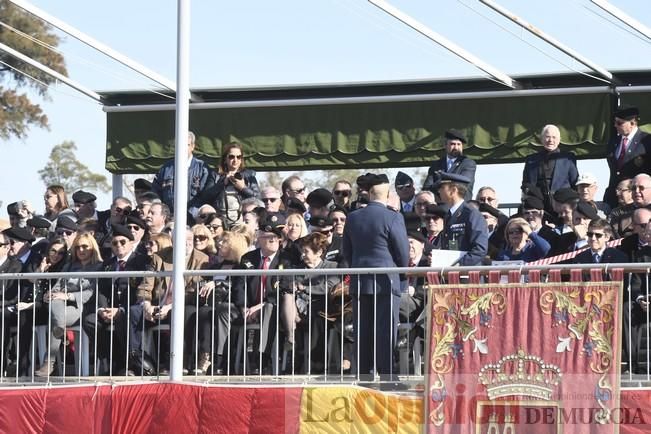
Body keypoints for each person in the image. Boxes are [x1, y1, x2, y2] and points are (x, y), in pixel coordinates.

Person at [341, 173, 409, 384]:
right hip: (387, 280)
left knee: (363, 331)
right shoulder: (393, 217)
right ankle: (388, 375)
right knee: (386, 331)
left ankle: (363, 375)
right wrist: (403, 276)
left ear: (369, 194)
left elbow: (347, 252)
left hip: (360, 280)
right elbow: (402, 252)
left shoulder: (353, 217)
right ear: (388, 195)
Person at [36, 232, 103, 376]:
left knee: (56, 317)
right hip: (60, 306)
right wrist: (51, 294)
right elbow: (58, 285)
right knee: (56, 306)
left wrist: (67, 295)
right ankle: (50, 359)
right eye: (78, 247)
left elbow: (90, 293)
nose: (81, 250)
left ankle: (49, 362)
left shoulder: (99, 266)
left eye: (85, 246)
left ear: (93, 247)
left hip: (81, 306)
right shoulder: (69, 266)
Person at [192, 231, 249, 374]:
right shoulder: (214, 267)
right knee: (199, 312)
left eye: (224, 242)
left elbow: (238, 289)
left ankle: (214, 358)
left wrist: (218, 283)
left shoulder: (241, 267)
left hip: (231, 307)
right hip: (210, 305)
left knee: (208, 312)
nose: (219, 243)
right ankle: (201, 356)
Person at [281, 232, 340, 373]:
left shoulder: (332, 266)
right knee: (287, 297)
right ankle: (291, 338)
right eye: (302, 251)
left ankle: (314, 364)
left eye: (306, 251)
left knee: (316, 317)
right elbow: (287, 286)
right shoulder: (297, 268)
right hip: (297, 308)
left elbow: (329, 286)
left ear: (319, 252)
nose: (303, 255)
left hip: (321, 307)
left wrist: (304, 288)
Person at [151, 131, 214, 214]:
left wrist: (191, 214)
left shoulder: (203, 169)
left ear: (192, 147)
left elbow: (205, 196)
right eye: (180, 144)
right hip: (170, 218)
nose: (183, 148)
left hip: (194, 219)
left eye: (186, 145)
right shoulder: (165, 169)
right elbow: (156, 193)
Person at [521, 124, 579, 212]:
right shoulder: (531, 160)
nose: (550, 140)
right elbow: (526, 185)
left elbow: (575, 184)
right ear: (542, 139)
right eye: (547, 137)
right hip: (539, 207)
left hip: (563, 206)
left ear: (559, 140)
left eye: (554, 137)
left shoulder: (568, 158)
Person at [434, 173, 488, 266]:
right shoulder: (449, 215)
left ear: (453, 190)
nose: (439, 191)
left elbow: (480, 249)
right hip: (451, 273)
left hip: (467, 275)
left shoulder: (471, 214)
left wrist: (459, 265)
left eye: (442, 187)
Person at [200, 142, 260, 224]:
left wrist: (243, 188)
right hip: (220, 221)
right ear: (225, 159)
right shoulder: (216, 175)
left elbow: (258, 199)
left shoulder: (249, 175)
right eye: (231, 157)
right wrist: (222, 184)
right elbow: (205, 197)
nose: (235, 160)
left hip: (242, 221)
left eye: (238, 157)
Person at [604, 107, 651, 208]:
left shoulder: (647, 142)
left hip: (637, 198)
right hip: (615, 197)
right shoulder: (613, 142)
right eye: (615, 122)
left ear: (632, 123)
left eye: (619, 123)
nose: (615, 125)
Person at [423, 129, 477, 201]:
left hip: (461, 207)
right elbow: (426, 188)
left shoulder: (468, 163)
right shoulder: (436, 165)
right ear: (445, 145)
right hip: (440, 206)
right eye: (452, 144)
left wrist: (441, 177)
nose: (456, 148)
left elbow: (464, 181)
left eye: (459, 144)